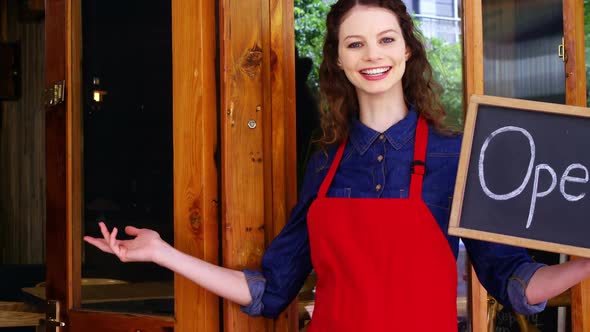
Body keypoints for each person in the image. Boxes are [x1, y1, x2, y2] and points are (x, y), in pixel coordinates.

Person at [84, 1, 590, 330]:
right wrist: (162, 253)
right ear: (341, 62)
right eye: (356, 43)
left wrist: (585, 263)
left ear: (408, 51)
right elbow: (269, 290)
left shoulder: (456, 154)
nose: (373, 54)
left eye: (387, 39)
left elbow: (515, 285)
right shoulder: (325, 164)